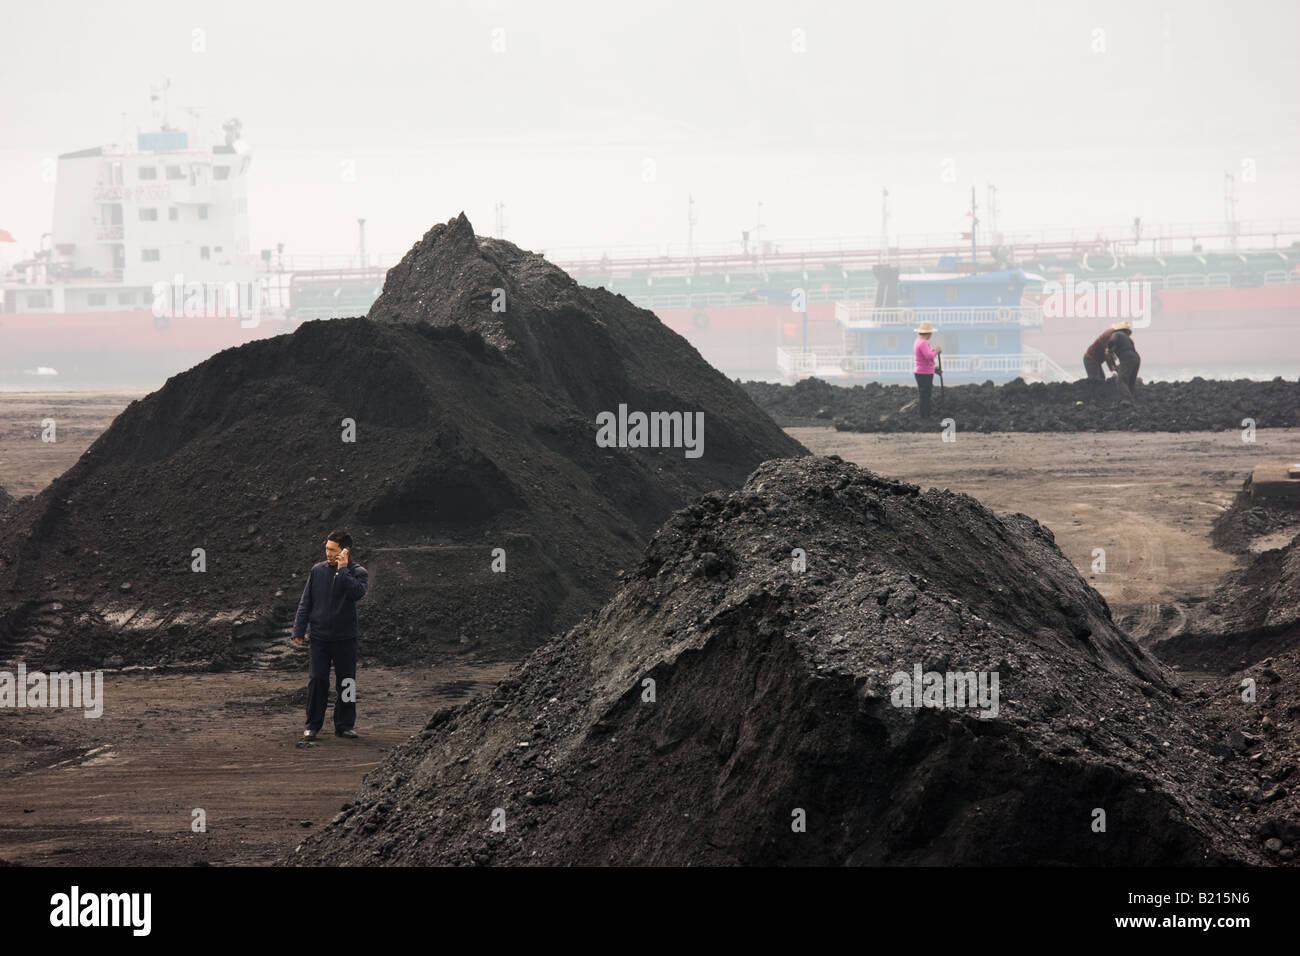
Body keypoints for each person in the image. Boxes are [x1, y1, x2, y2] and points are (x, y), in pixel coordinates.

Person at [292, 530, 369, 740]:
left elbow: (356, 593)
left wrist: (343, 570)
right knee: (317, 680)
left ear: (345, 551)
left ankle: (344, 725)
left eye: (332, 550)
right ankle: (312, 725)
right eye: (326, 549)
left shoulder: (359, 572)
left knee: (347, 683)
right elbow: (306, 602)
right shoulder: (317, 571)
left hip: (345, 638)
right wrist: (299, 630)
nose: (327, 553)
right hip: (319, 638)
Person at [913, 320, 942, 418]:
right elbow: (928, 356)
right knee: (925, 395)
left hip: (922, 371)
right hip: (924, 373)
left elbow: (925, 359)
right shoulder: (923, 343)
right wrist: (936, 351)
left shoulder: (918, 341)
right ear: (928, 333)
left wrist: (933, 368)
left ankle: (924, 415)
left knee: (924, 395)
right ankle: (925, 416)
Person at [1106, 322, 1140, 403]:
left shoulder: (1117, 334)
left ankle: (1127, 399)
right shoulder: (1128, 339)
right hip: (1136, 358)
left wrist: (1108, 348)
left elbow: (1111, 341)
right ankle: (1132, 399)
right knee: (1131, 381)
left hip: (1127, 357)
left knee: (1120, 380)